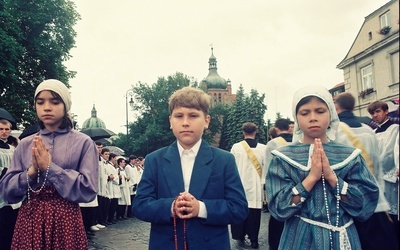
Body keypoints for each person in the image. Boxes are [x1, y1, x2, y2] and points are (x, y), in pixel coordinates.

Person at [133, 86, 248, 250]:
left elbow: (239, 208)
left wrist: (201, 208)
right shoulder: (154, 160)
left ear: (207, 121)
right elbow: (140, 206)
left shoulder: (224, 160)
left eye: (193, 116)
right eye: (179, 116)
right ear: (170, 121)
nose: (185, 122)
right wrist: (170, 207)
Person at [266, 85, 379, 250]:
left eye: (320, 111)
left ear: (331, 114)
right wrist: (311, 178)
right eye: (305, 113)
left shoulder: (349, 155)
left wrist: (332, 178)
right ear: (296, 118)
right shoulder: (283, 158)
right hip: (299, 239)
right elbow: (278, 209)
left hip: (343, 238)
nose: (313, 118)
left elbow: (365, 206)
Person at [0, 79, 99, 249]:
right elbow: (6, 190)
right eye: (40, 102)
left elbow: (88, 188)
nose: (46, 107)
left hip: (65, 219)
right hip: (29, 219)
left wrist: (50, 168)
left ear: (65, 105)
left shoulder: (83, 142)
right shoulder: (25, 144)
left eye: (54, 102)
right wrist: (31, 172)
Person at [334, 92, 398, 249]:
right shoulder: (368, 130)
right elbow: (378, 165)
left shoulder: (335, 131)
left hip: (349, 200)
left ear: (336, 106)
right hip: (374, 198)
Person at [230, 122, 266, 249]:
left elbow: (231, 167)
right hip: (256, 186)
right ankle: (254, 240)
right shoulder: (263, 148)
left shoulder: (236, 147)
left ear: (243, 132)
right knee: (254, 214)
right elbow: (265, 168)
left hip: (239, 185)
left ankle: (239, 235)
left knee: (239, 211)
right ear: (255, 132)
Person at [368, 100, 399, 241]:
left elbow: (389, 153)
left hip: (389, 176)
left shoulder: (394, 129)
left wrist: (376, 166)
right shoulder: (373, 132)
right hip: (376, 178)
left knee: (393, 211)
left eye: (377, 111)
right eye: (372, 113)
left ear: (386, 111)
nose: (375, 115)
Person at [265, 118, 292, 250]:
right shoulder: (297, 140)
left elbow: (267, 168)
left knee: (276, 220)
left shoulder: (273, 143)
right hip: (296, 187)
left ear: (276, 129)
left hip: (279, 187)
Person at [0, 118, 21, 250]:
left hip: (11, 188)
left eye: (7, 129)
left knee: (10, 226)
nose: (4, 132)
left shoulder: (12, 149)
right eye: (1, 129)